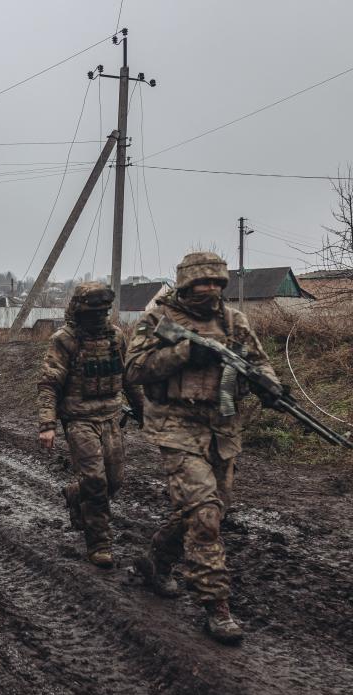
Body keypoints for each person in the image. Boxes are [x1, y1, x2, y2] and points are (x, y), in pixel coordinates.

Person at [124, 251, 281, 643]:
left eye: (216, 283)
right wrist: (183, 353)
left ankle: (156, 561)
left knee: (210, 510)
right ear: (185, 284)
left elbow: (260, 363)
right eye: (202, 283)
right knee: (205, 515)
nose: (210, 289)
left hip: (222, 428)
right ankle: (216, 606)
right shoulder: (158, 320)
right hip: (175, 426)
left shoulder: (233, 322)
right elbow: (133, 370)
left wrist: (269, 386)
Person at [37, 282, 144, 569]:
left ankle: (75, 493)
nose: (99, 316)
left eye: (103, 311)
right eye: (93, 311)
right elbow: (49, 384)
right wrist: (47, 424)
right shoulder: (65, 340)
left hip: (111, 417)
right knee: (96, 481)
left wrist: (145, 412)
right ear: (80, 310)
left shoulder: (116, 338)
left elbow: (129, 378)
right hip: (79, 419)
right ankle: (100, 544)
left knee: (115, 480)